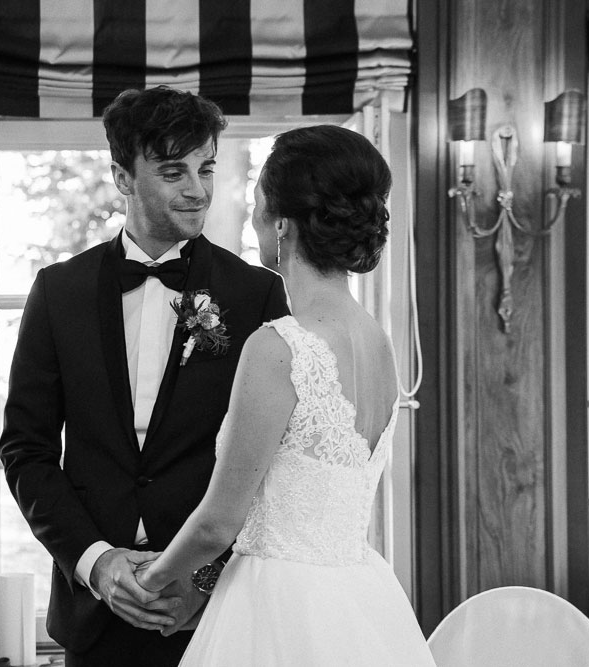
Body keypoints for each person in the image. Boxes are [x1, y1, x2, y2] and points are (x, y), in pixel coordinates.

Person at [0, 85, 289, 667]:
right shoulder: (59, 292)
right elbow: (25, 451)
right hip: (94, 616)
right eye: (173, 171)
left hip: (216, 613)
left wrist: (201, 585)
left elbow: (280, 464)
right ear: (123, 177)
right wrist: (97, 562)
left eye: (206, 168)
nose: (198, 189)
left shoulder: (257, 293)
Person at [134, 125, 437, 666]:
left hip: (274, 606)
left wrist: (148, 583)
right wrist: (202, 589)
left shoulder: (280, 348)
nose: (252, 222)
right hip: (357, 602)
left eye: (255, 206)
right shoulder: (379, 345)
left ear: (281, 225)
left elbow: (217, 523)